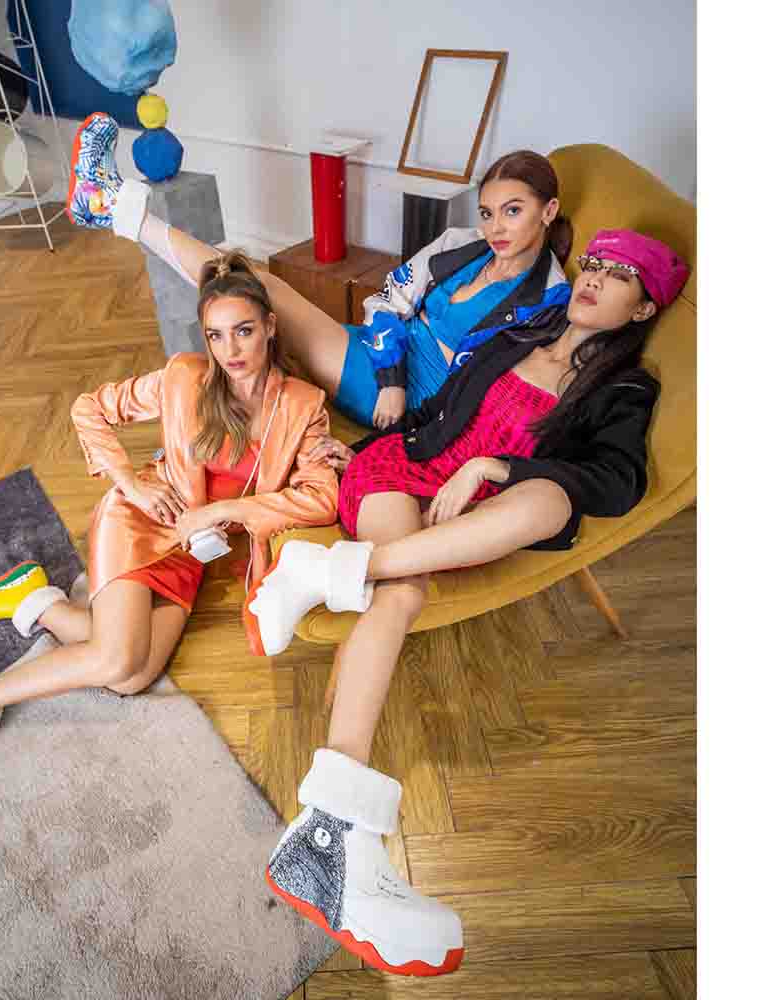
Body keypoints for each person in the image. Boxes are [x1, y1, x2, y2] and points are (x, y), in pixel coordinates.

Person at [243, 228, 689, 975]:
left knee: (553, 500)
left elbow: (617, 483)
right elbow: (437, 410)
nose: (594, 277)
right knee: (401, 594)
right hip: (404, 474)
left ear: (643, 309)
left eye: (620, 276)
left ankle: (322, 573)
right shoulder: (518, 332)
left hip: (477, 508)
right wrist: (376, 444)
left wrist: (495, 465)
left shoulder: (625, 388)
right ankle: (329, 839)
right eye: (595, 263)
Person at [0, 252, 342, 799]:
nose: (230, 351)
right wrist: (132, 484)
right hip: (139, 522)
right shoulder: (184, 378)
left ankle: (34, 602)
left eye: (244, 331)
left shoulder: (303, 406)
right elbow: (88, 408)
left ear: (270, 327)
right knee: (117, 658)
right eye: (216, 335)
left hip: (192, 549)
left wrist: (218, 513)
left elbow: (320, 499)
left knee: (133, 676)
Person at [64, 112, 572, 430]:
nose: (495, 227)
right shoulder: (461, 245)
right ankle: (113, 209)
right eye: (487, 212)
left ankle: (114, 207)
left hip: (409, 400)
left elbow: (494, 388)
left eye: (513, 211)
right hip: (382, 362)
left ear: (548, 211)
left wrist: (398, 388)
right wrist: (392, 372)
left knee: (254, 287)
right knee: (248, 295)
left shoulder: (549, 300)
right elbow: (387, 301)